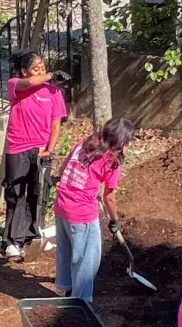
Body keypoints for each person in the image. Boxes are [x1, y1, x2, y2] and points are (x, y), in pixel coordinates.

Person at [51, 117, 136, 303]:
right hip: (81, 214)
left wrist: (86, 187)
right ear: (122, 140)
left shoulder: (84, 143)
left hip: (61, 205)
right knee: (86, 260)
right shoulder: (111, 161)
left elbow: (64, 169)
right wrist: (114, 221)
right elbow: (109, 198)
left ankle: (67, 288)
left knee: (66, 251)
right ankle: (80, 303)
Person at [1, 51, 66, 259]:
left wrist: (50, 149)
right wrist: (50, 74)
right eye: (36, 68)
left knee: (39, 194)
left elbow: (55, 125)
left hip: (40, 149)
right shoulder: (16, 85)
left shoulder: (53, 92)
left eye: (43, 66)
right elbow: (28, 83)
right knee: (16, 194)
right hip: (18, 148)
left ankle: (31, 234)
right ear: (24, 71)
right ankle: (12, 241)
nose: (42, 70)